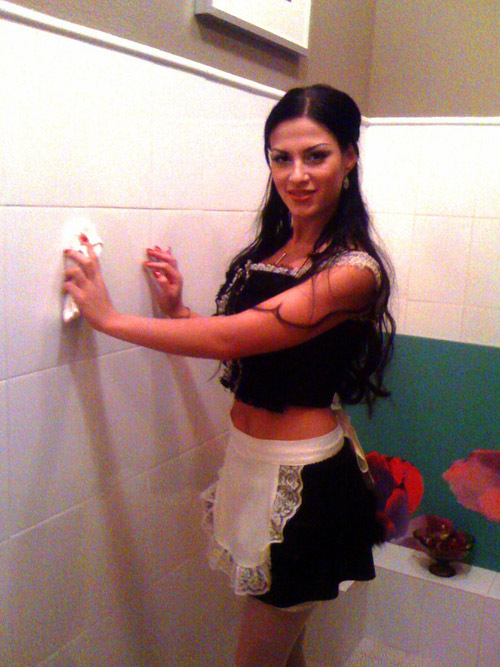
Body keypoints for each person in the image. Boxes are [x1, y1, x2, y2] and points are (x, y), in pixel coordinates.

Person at [64, 84, 395, 667]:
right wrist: (178, 311)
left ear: (349, 157)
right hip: (249, 462)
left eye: (316, 156)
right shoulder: (276, 248)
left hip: (304, 483)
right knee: (284, 651)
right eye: (281, 158)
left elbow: (230, 337)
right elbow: (250, 342)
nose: (296, 175)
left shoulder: (353, 271)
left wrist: (108, 318)